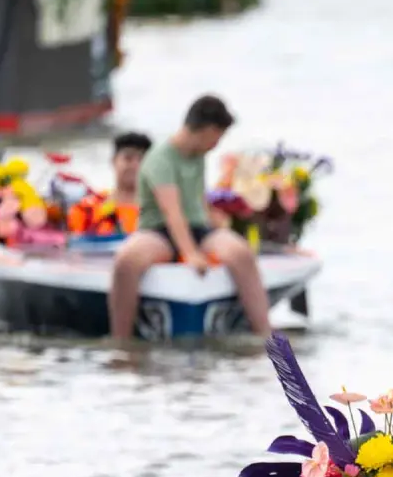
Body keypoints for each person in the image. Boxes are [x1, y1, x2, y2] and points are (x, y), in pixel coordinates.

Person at [108, 95, 273, 341]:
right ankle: (121, 341)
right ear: (208, 130)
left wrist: (219, 222)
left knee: (240, 252)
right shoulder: (160, 158)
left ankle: (267, 336)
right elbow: (171, 211)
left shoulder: (197, 157)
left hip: (198, 229)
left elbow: (196, 201)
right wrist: (191, 253)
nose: (216, 144)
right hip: (158, 231)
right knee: (126, 261)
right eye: (218, 137)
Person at [67, 132, 150, 236]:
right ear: (113, 161)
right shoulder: (87, 210)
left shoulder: (160, 212)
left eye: (142, 160)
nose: (135, 166)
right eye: (128, 158)